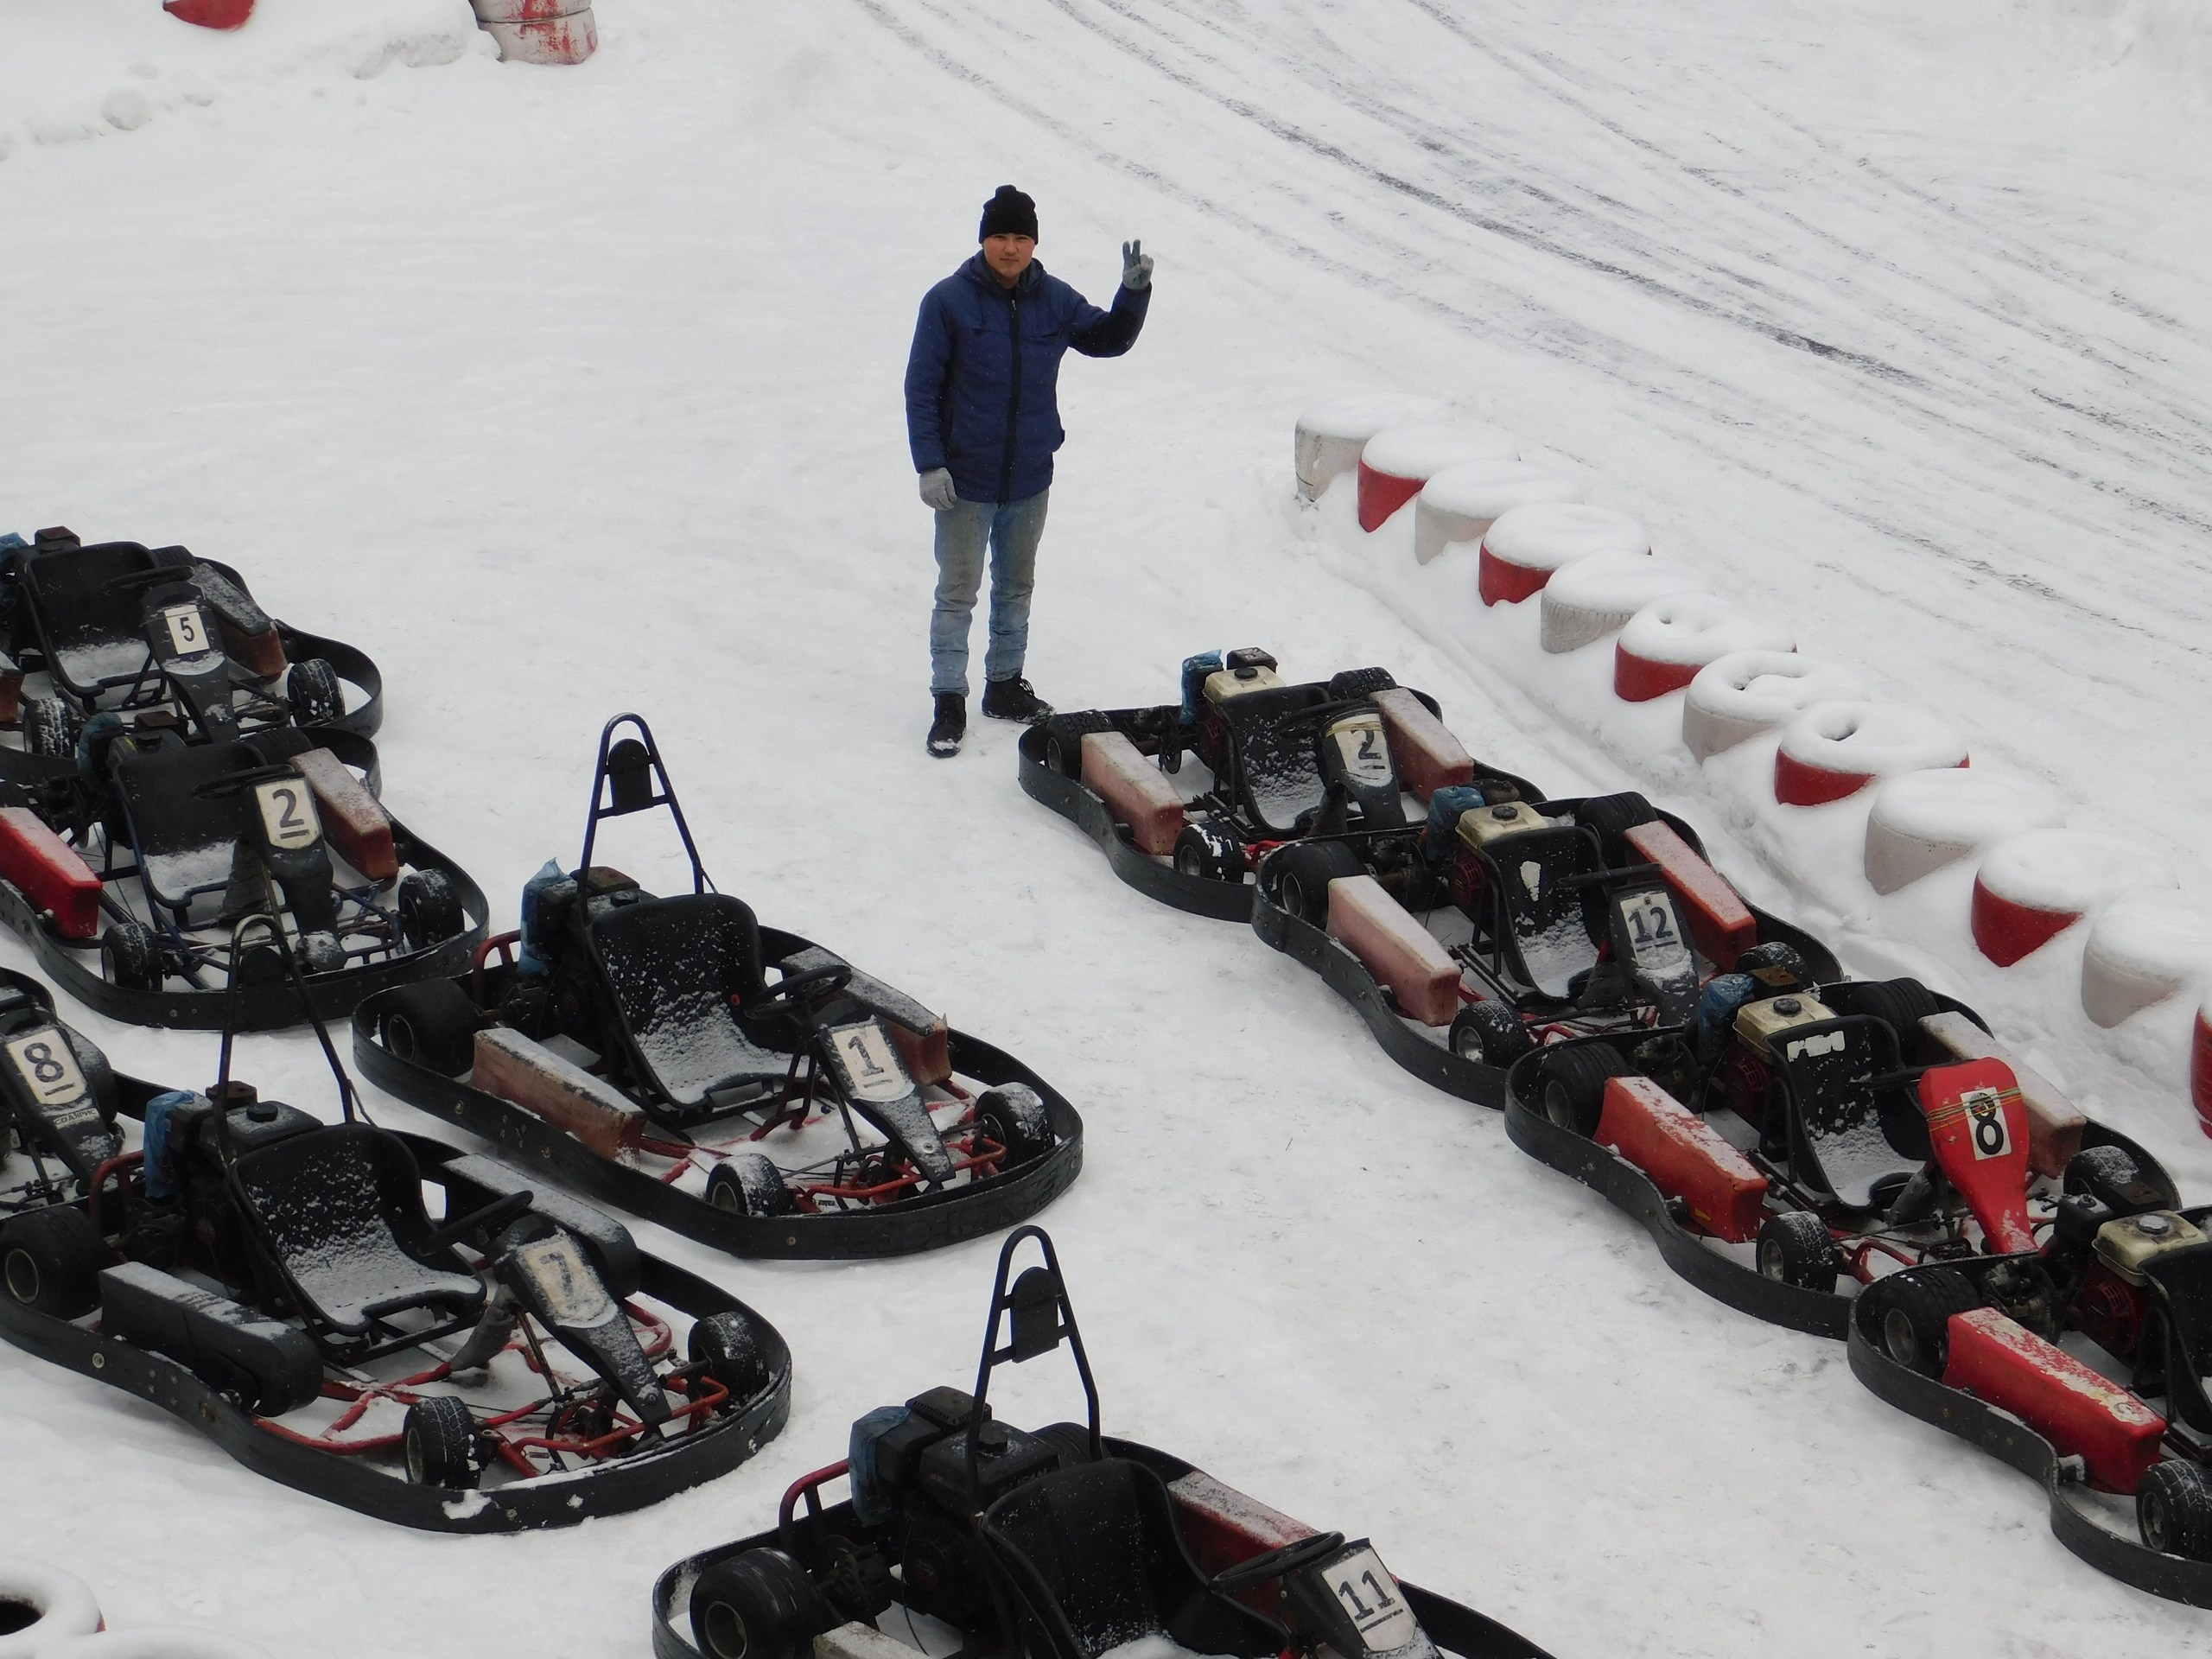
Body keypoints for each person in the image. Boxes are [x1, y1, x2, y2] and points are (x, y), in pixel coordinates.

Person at [904, 185, 1153, 757]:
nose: (1010, 248)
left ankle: (1005, 685)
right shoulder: (947, 302)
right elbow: (921, 388)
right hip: (964, 480)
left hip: (1029, 478)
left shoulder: (1053, 299)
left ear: (1034, 243)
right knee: (958, 592)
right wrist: (929, 464)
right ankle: (949, 700)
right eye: (1000, 237)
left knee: (1016, 586)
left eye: (1020, 238)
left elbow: (1107, 339)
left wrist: (1133, 293)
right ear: (983, 240)